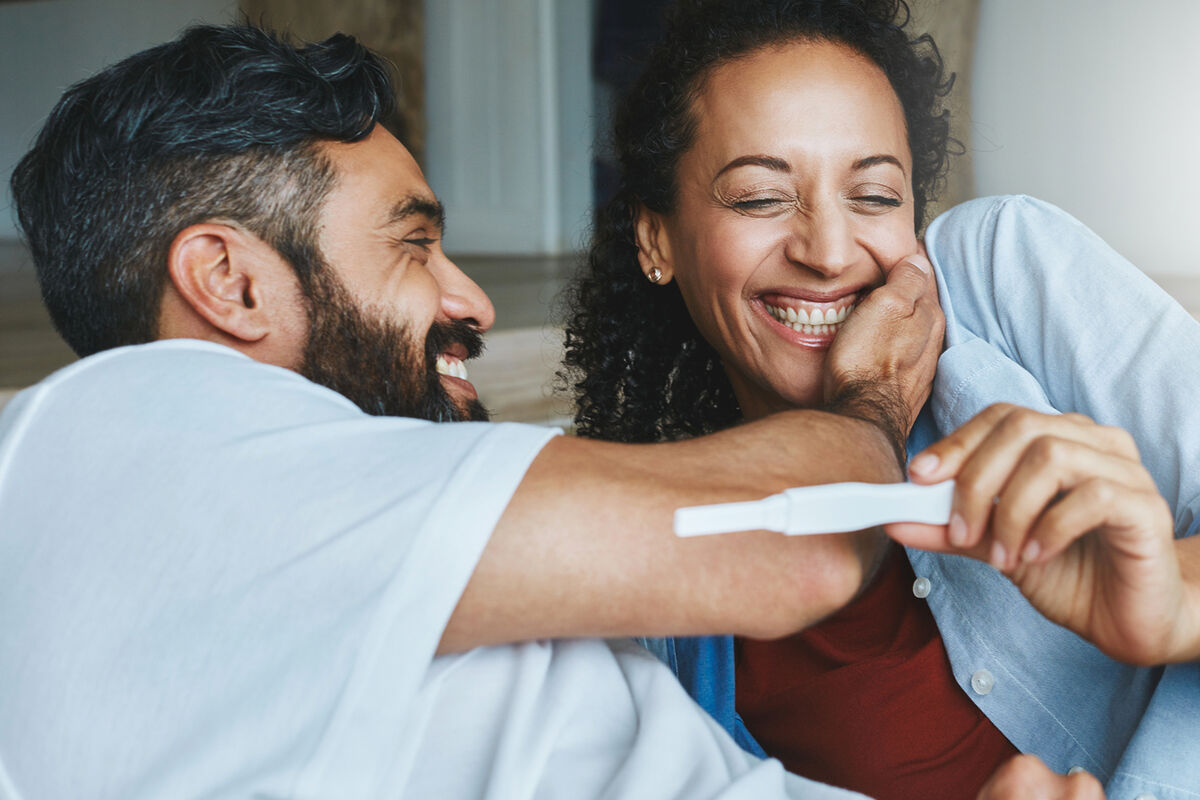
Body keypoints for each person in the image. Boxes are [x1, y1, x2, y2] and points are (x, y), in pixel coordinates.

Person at [0, 21, 974, 800]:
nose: (473, 301)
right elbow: (796, 540)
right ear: (230, 282)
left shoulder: (307, 493)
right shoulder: (144, 441)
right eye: (413, 246)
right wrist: (876, 394)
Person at [560, 1, 1200, 799]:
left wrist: (1176, 600)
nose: (829, 253)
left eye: (873, 196)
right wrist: (866, 409)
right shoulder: (669, 594)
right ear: (656, 239)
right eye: (760, 197)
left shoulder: (1000, 273)